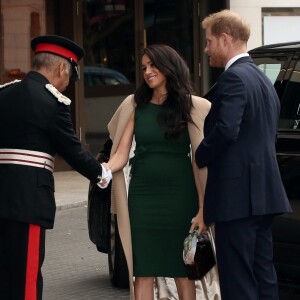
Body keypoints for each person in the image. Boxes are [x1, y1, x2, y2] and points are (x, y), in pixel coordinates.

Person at [0, 35, 110, 300]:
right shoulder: (51, 102)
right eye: (70, 76)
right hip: (29, 202)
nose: (67, 84)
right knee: (26, 279)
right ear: (62, 68)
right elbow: (73, 151)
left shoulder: (4, 93)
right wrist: (102, 174)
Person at [99, 44, 211, 300]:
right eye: (144, 68)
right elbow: (120, 154)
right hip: (142, 196)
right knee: (143, 271)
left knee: (183, 270)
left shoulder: (191, 106)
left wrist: (203, 208)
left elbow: (199, 160)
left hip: (180, 197)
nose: (148, 72)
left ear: (169, 66)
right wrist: (102, 170)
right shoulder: (136, 105)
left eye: (153, 65)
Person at [195, 9, 292, 300]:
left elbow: (227, 129)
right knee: (263, 276)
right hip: (264, 196)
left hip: (238, 199)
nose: (207, 48)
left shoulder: (234, 78)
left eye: (210, 41)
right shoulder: (263, 80)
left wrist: (200, 154)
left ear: (225, 39)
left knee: (238, 280)